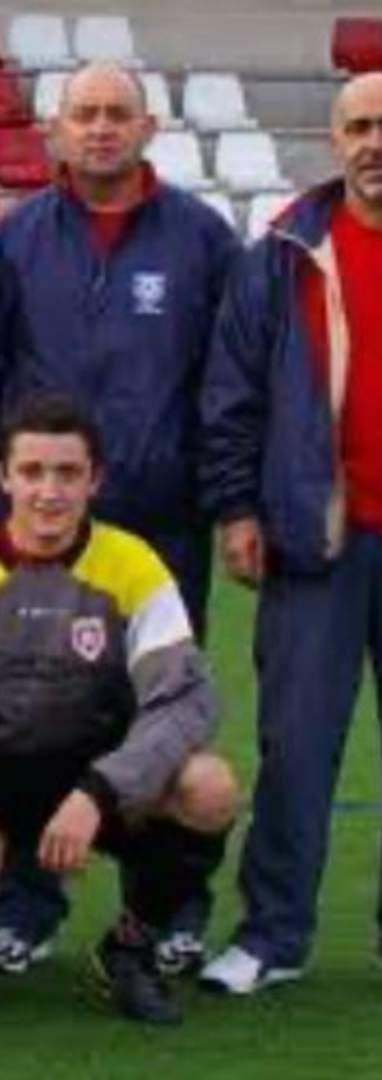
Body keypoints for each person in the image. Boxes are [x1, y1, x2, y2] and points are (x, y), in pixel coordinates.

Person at [0, 61, 240, 974]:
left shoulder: (202, 239)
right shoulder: (14, 241)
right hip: (41, 533)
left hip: (161, 528)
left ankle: (165, 910)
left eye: (119, 113)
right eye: (84, 113)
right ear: (57, 128)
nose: (101, 128)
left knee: (163, 717)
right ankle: (28, 905)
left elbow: (230, 379)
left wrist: (220, 492)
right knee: (32, 712)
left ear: (149, 127)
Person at [0, 392, 236, 1028]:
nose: (49, 492)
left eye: (67, 473)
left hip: (97, 769)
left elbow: (186, 701)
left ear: (95, 480)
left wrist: (99, 791)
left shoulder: (133, 565)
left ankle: (129, 949)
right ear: (2, 477)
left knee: (210, 787)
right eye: (31, 472)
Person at [200, 72, 382, 995]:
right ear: (334, 139)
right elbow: (233, 390)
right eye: (360, 126)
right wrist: (238, 507)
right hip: (320, 538)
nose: (376, 143)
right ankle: (274, 934)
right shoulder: (283, 252)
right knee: (298, 745)